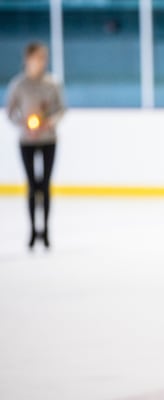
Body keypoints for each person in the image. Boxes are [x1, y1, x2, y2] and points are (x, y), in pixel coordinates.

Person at [5, 42, 65, 249]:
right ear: (27, 59)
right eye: (37, 57)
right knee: (32, 185)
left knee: (45, 184)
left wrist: (50, 121)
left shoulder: (52, 83)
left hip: (48, 139)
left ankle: (46, 230)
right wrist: (23, 123)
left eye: (43, 57)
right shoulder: (19, 84)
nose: (41, 61)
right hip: (27, 141)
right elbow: (10, 111)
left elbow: (61, 109)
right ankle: (32, 230)